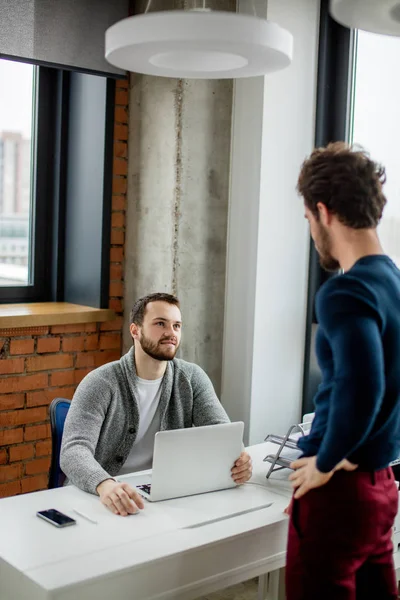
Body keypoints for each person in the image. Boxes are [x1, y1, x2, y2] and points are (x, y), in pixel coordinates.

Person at [286, 142, 400, 600]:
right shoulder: (393, 283)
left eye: (309, 219)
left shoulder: (344, 292)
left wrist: (328, 461)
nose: (311, 229)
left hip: (338, 496)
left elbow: (362, 386)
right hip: (381, 488)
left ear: (323, 211)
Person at [61, 292, 252, 516]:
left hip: (161, 496)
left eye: (177, 325)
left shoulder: (191, 378)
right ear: (135, 330)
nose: (171, 333)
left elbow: (222, 433)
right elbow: (73, 451)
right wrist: (105, 484)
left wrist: (239, 460)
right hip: (100, 496)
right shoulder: (101, 382)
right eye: (160, 323)